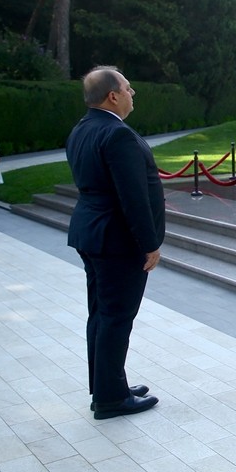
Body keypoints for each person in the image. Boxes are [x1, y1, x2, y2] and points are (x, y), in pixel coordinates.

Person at [66, 67, 164, 420]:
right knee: (116, 317)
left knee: (102, 314)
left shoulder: (83, 128)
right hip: (117, 241)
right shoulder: (116, 134)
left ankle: (109, 384)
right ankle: (110, 399)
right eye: (127, 87)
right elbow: (132, 197)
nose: (132, 91)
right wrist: (149, 244)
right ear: (113, 96)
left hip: (92, 233)